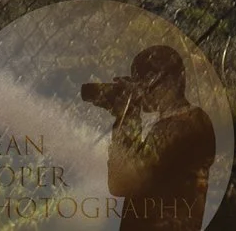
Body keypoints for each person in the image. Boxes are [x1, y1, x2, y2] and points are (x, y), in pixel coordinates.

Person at [83, 43, 216, 231]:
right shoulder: (186, 121)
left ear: (172, 81)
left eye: (145, 81)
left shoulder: (181, 125)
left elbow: (120, 183)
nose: (140, 89)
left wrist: (127, 117)